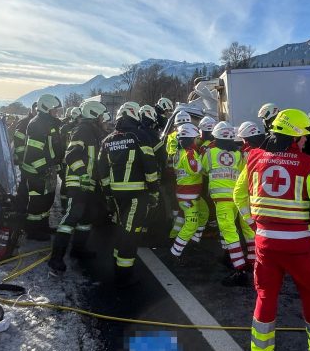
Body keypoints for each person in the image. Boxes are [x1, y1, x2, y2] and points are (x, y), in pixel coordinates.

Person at [234, 108, 310, 351]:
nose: (305, 141)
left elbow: (238, 195)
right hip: (301, 248)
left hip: (266, 246)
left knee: (265, 296)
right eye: (302, 136)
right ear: (293, 136)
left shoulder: (253, 159)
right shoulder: (308, 165)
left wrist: (252, 223)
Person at [98, 101, 160, 286]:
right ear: (133, 115)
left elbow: (102, 170)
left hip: (117, 194)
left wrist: (108, 193)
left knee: (122, 228)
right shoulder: (139, 136)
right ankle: (124, 276)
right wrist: (154, 191)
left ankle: (118, 264)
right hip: (137, 194)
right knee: (131, 234)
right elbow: (150, 167)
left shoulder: (107, 140)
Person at [48, 98, 108, 273]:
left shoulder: (95, 133)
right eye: (102, 117)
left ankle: (78, 250)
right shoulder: (82, 130)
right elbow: (71, 156)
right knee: (71, 218)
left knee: (87, 218)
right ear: (95, 115)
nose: (105, 121)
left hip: (90, 183)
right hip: (79, 181)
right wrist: (82, 174)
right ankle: (55, 260)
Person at [202, 121, 255, 286]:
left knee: (230, 234)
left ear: (215, 137)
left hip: (223, 201)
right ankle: (254, 265)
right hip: (241, 199)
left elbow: (204, 170)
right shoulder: (239, 154)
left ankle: (239, 271)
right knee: (248, 230)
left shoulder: (210, 153)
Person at [21, 94, 64, 240]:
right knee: (37, 203)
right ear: (46, 108)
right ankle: (33, 232)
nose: (56, 112)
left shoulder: (49, 123)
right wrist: (44, 170)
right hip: (36, 172)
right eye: (54, 110)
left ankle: (43, 227)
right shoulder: (37, 124)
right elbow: (34, 154)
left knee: (47, 201)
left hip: (46, 170)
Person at [169, 123, 209, 261]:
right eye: (196, 138)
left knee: (204, 213)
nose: (198, 140)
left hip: (190, 195)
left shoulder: (178, 152)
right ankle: (175, 253)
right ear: (191, 139)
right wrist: (206, 159)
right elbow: (196, 169)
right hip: (188, 196)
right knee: (191, 224)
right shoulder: (190, 153)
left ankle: (193, 241)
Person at [12, 102, 37, 213]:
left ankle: (27, 211)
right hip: (22, 163)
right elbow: (18, 141)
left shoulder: (37, 122)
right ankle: (21, 213)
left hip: (31, 163)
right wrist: (23, 158)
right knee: (22, 188)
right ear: (33, 109)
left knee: (29, 189)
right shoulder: (25, 122)